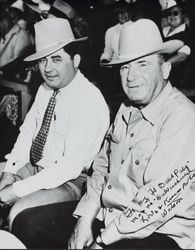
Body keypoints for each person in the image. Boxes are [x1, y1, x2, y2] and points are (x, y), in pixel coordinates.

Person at [11, 19, 195, 249]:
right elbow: (100, 167)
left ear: (166, 68)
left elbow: (154, 204)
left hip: (157, 230)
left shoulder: (183, 117)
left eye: (143, 65)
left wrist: (101, 241)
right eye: (125, 67)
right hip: (110, 215)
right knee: (28, 223)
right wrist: (85, 218)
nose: (131, 76)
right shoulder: (127, 109)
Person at [0, 17, 109, 230]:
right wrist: (9, 172)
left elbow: (68, 168)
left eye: (56, 59)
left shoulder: (89, 100)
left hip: (71, 180)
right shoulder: (45, 89)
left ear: (75, 60)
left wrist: (15, 190)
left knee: (19, 213)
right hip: (37, 168)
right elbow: (27, 131)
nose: (48, 68)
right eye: (43, 61)